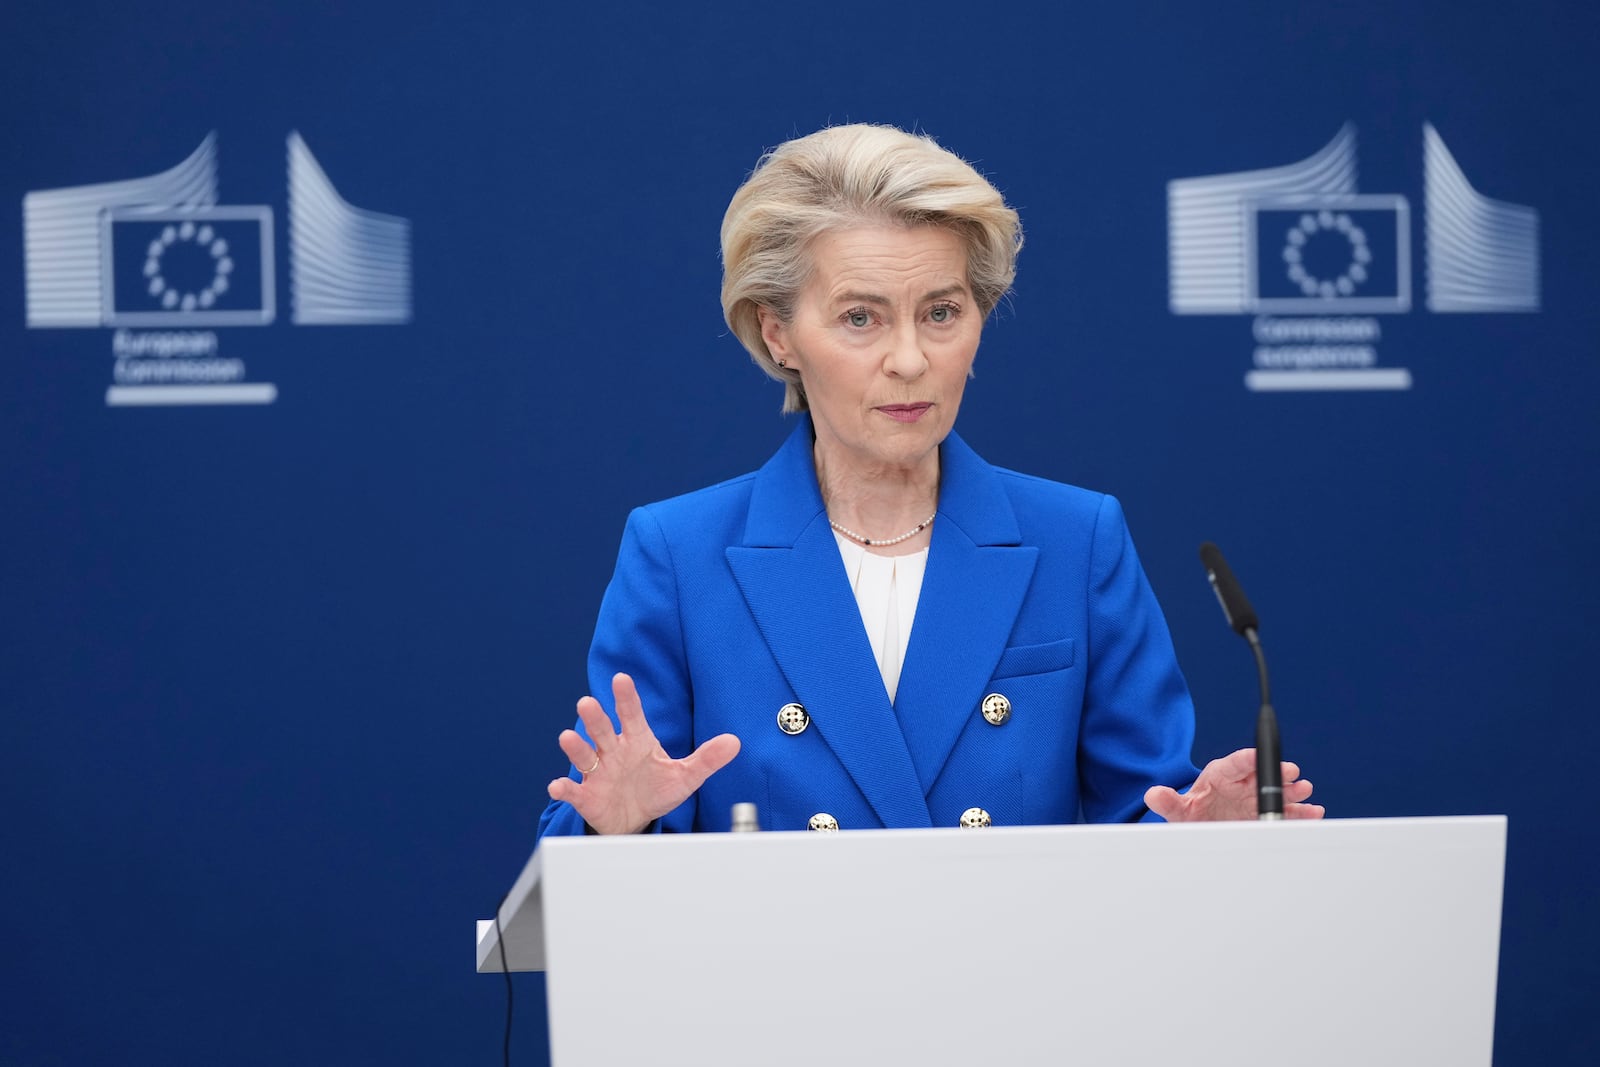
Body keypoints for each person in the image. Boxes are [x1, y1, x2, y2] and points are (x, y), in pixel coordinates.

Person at [536, 124, 1321, 838]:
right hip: (780, 986)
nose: (910, 359)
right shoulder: (678, 555)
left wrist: (1201, 839)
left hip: (1010, 983)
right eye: (860, 317)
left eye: (941, 312)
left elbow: (1143, 814)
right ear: (778, 334)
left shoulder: (1077, 541)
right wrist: (618, 831)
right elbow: (589, 855)